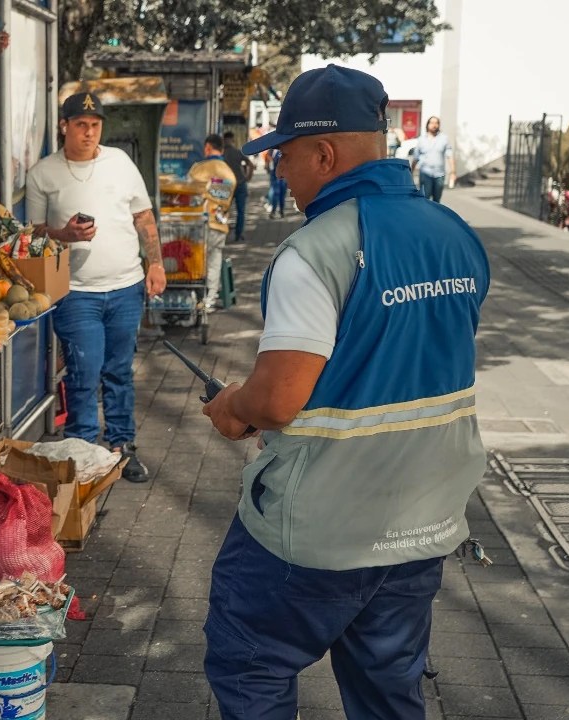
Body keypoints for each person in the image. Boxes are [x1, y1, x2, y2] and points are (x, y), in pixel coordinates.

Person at [201, 64, 490, 720]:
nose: (280, 173)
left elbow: (277, 402)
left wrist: (233, 407)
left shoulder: (316, 251)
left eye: (285, 157)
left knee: (250, 662)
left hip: (319, 532)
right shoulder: (456, 236)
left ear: (323, 154)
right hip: (422, 520)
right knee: (388, 690)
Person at [27, 91, 166, 483]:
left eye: (95, 125)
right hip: (75, 293)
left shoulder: (120, 162)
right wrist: (64, 233)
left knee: (119, 371)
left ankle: (122, 447)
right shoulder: (43, 173)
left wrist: (155, 263)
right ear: (64, 127)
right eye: (81, 125)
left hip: (126, 287)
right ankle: (83, 453)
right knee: (83, 374)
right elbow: (35, 234)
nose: (89, 132)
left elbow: (143, 216)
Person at [188, 134, 237, 309]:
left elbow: (189, 191)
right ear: (222, 149)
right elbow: (224, 197)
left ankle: (196, 297)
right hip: (220, 223)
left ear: (207, 147)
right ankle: (210, 298)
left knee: (196, 261)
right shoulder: (228, 172)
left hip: (199, 223)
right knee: (215, 261)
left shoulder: (199, 169)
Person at [411, 115, 455, 202]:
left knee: (437, 200)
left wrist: (453, 172)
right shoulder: (421, 139)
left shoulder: (444, 139)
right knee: (425, 199)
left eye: (436, 123)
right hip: (425, 173)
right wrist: (410, 173)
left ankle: (435, 215)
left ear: (439, 125)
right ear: (427, 125)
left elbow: (449, 155)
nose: (434, 125)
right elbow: (416, 157)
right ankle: (425, 215)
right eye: (432, 123)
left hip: (439, 174)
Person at [221, 130, 252, 243]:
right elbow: (250, 164)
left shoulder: (221, 154)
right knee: (240, 211)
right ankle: (238, 234)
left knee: (223, 210)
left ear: (224, 140)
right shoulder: (237, 152)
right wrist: (248, 177)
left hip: (226, 186)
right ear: (233, 140)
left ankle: (223, 233)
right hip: (240, 184)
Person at [268, 148, 288, 218]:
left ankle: (281, 211)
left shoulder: (283, 149)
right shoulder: (271, 150)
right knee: (276, 193)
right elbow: (269, 160)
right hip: (274, 175)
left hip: (282, 176)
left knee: (281, 194)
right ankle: (274, 211)